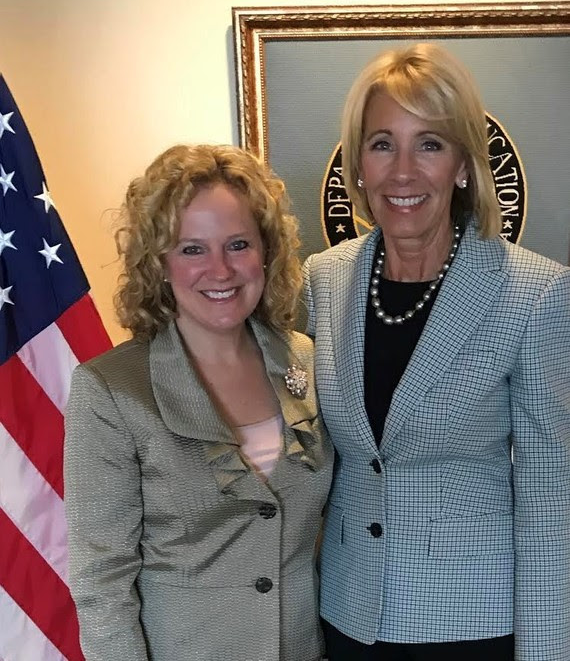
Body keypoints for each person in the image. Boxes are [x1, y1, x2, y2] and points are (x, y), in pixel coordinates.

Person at [303, 43, 570, 661]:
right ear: (359, 165)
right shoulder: (325, 279)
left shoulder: (534, 293)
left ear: (462, 166)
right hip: (349, 617)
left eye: (429, 144)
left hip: (470, 626)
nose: (403, 171)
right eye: (381, 143)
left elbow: (550, 497)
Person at [64, 144, 333, 661]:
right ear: (158, 261)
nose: (221, 270)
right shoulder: (110, 390)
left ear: (266, 251)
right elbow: (101, 584)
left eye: (238, 244)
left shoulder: (307, 359)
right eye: (192, 249)